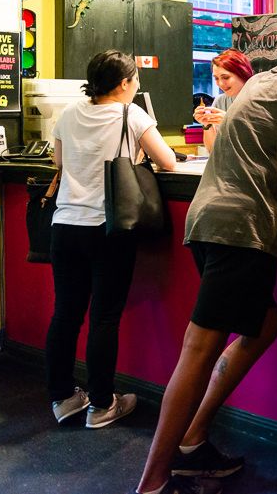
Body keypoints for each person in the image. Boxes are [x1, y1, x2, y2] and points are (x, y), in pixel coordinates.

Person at [133, 30, 277, 494]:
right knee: (199, 349)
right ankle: (153, 480)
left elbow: (271, 144)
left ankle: (193, 439)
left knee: (263, 324)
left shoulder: (257, 83)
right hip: (243, 230)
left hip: (207, 222)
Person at [47, 51, 177, 429]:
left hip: (65, 225)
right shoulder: (131, 114)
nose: (137, 86)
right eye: (135, 80)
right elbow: (168, 161)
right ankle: (102, 404)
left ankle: (63, 398)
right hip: (108, 228)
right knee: (104, 317)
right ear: (124, 83)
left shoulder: (69, 114)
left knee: (65, 314)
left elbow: (59, 162)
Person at [192, 49, 254, 152]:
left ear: (242, 73)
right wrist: (207, 125)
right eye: (216, 78)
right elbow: (212, 150)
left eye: (226, 77)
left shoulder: (259, 100)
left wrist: (230, 121)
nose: (220, 83)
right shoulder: (220, 101)